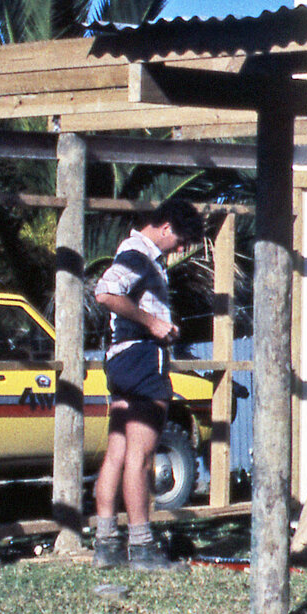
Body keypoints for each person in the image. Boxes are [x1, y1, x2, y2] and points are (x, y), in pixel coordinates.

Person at [90, 197, 205, 570]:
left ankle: (105, 543)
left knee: (118, 454)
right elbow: (105, 292)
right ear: (167, 226)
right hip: (142, 359)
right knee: (141, 458)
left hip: (121, 357)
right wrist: (153, 324)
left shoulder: (138, 255)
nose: (182, 249)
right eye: (183, 240)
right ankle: (142, 547)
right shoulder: (138, 255)